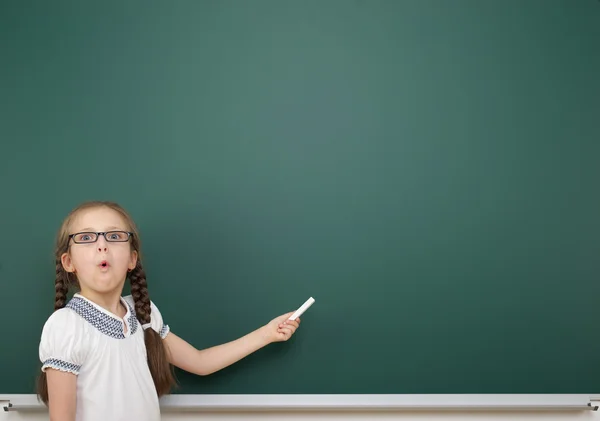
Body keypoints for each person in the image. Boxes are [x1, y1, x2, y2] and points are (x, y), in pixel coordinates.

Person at [36, 200, 302, 421]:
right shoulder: (66, 325)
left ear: (132, 258)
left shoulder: (143, 314)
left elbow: (200, 362)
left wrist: (267, 334)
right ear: (68, 262)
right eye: (86, 237)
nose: (102, 244)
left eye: (115, 236)